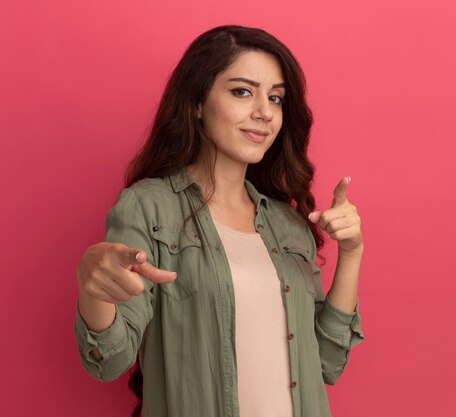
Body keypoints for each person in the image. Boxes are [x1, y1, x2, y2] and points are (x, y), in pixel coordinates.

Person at [73, 25, 365, 417]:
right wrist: (94, 287)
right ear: (196, 102)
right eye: (242, 91)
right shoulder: (149, 208)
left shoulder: (288, 224)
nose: (264, 111)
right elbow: (109, 359)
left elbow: (327, 363)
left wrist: (351, 252)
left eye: (276, 98)